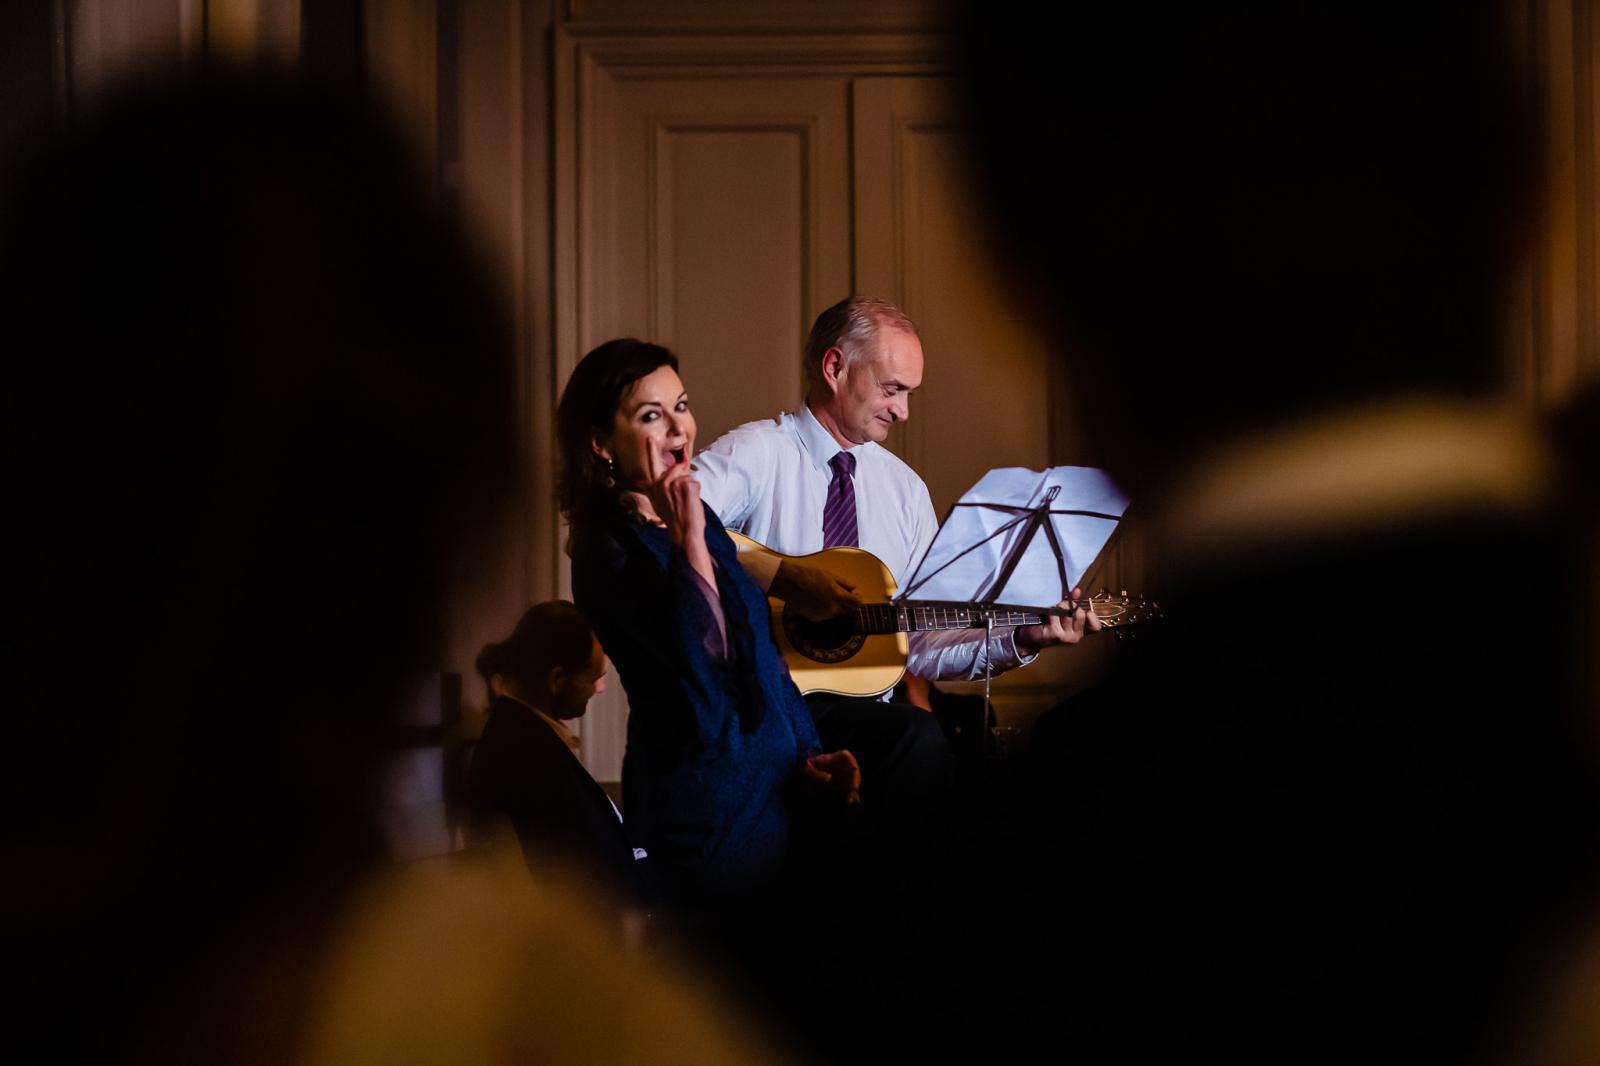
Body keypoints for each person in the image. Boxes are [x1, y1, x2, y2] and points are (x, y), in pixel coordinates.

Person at [692, 296, 1101, 825]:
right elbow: (670, 521)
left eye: (908, 393)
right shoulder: (759, 452)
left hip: (863, 717)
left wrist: (1021, 638)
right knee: (917, 738)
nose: (903, 411)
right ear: (834, 367)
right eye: (893, 389)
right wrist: (784, 577)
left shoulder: (904, 490)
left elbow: (925, 644)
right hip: (760, 703)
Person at [557, 338, 860, 904]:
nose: (679, 429)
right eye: (651, 415)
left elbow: (761, 655)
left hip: (776, 793)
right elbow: (707, 664)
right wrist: (688, 537)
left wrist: (809, 754)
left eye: (682, 405)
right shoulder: (605, 548)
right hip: (703, 807)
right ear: (601, 444)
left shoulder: (702, 518)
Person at [469, 601, 649, 905]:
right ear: (557, 680)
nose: (600, 688)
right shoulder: (524, 756)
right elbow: (576, 870)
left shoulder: (527, 735)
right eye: (594, 677)